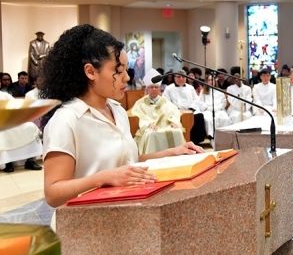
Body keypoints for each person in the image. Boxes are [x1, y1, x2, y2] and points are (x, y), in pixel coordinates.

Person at [41, 25, 203, 209]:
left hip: (125, 212)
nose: (126, 78)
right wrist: (103, 178)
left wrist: (171, 153)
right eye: (118, 71)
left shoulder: (116, 110)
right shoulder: (66, 120)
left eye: (126, 70)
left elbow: (127, 163)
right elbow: (53, 193)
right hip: (87, 222)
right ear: (91, 71)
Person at [0, 74, 43, 173]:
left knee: (31, 126)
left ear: (0, 84)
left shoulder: (6, 95)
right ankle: (7, 162)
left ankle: (30, 161)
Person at [131, 69, 185, 155]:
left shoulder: (165, 101)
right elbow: (138, 115)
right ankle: (152, 158)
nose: (154, 89)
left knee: (177, 131)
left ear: (160, 89)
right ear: (147, 89)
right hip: (150, 127)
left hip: (166, 125)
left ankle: (177, 157)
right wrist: (148, 124)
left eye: (156, 87)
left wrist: (174, 121)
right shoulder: (140, 103)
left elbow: (174, 112)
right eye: (151, 87)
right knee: (151, 134)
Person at [163, 73, 208, 144]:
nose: (181, 79)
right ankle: (182, 142)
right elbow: (166, 102)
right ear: (174, 78)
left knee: (199, 116)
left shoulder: (190, 88)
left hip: (190, 110)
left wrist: (191, 109)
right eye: (178, 77)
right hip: (176, 111)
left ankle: (196, 142)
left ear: (186, 78)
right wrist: (177, 110)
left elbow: (196, 99)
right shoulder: (169, 88)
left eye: (183, 77)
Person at [198, 75, 232, 146]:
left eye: (212, 80)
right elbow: (201, 102)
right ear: (207, 81)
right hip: (208, 110)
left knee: (225, 119)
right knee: (209, 120)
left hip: (219, 110)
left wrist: (218, 107)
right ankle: (212, 138)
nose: (211, 81)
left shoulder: (219, 90)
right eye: (209, 80)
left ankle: (224, 138)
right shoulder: (203, 91)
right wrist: (208, 108)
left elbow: (224, 101)